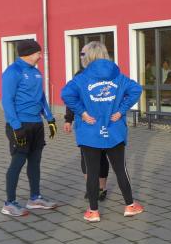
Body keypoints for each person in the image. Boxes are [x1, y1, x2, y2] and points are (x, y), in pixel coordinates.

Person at [61, 41, 144, 222]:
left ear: (88, 57)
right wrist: (121, 110)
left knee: (92, 172)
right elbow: (136, 89)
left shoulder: (81, 78)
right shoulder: (117, 76)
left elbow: (66, 94)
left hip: (89, 132)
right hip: (114, 131)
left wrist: (82, 113)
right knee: (120, 169)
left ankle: (93, 211)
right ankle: (130, 205)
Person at [0, 39, 58, 216]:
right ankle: (9, 203)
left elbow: (41, 97)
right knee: (17, 162)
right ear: (29, 53)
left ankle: (35, 198)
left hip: (36, 124)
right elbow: (7, 101)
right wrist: (16, 126)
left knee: (35, 161)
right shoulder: (13, 71)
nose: (41, 56)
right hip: (20, 124)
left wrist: (50, 118)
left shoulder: (36, 72)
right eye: (38, 52)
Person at [65, 50, 110, 201]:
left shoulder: (109, 75)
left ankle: (102, 188)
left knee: (102, 155)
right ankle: (91, 187)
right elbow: (72, 98)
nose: (82, 57)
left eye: (84, 54)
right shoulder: (79, 75)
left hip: (103, 122)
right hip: (84, 122)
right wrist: (68, 119)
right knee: (85, 156)